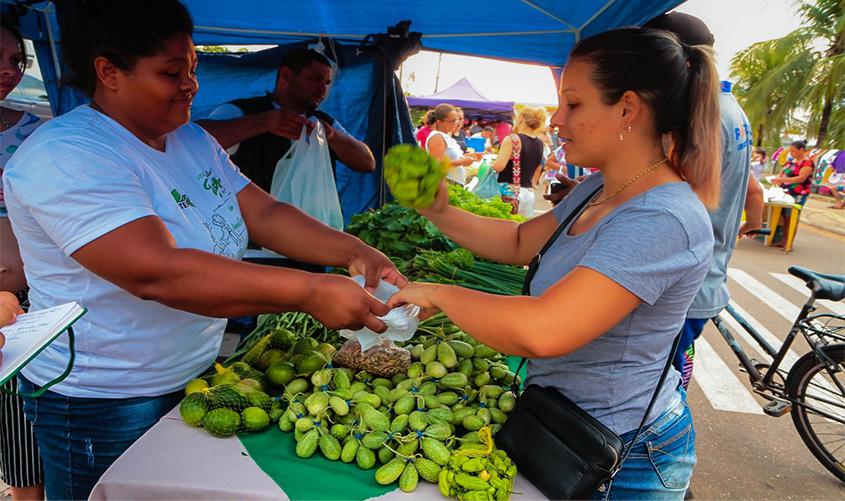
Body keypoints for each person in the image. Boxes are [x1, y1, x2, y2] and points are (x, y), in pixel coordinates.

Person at [2, 2, 403, 499]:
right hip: (104, 396)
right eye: (172, 73)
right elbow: (157, 272)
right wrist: (310, 291)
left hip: (193, 374)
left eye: (192, 69)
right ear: (108, 72)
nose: (191, 85)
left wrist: (353, 250)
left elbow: (263, 213)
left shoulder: (189, 139)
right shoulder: (67, 154)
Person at [389, 26, 721, 498]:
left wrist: (441, 294)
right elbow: (520, 241)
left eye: (573, 103)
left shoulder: (663, 218)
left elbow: (545, 330)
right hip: (564, 424)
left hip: (623, 454)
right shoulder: (598, 188)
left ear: (627, 108)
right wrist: (438, 210)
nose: (558, 120)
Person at [643, 12, 764, 391]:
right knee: (670, 376)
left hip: (682, 284)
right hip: (704, 277)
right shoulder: (730, 108)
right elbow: (751, 189)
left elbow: (671, 203)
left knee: (657, 391)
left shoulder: (703, 117)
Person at [197, 47, 375, 220]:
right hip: (255, 229)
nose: (322, 89)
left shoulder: (324, 123)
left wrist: (331, 136)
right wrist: (264, 122)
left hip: (315, 228)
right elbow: (197, 139)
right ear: (286, 75)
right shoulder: (243, 110)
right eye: (314, 79)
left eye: (327, 83)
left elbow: (367, 163)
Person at [0, 19, 45, 501]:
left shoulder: (40, 134)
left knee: (28, 413)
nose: (9, 70)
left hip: (39, 300)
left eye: (16, 60)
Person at [491, 107, 547, 189]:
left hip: (509, 190)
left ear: (521, 118)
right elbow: (537, 167)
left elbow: (498, 167)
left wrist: (485, 166)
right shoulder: (540, 143)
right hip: (527, 191)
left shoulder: (512, 139)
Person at [425, 103, 475, 169]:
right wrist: (462, 162)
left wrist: (466, 157)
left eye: (456, 120)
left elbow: (452, 158)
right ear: (439, 122)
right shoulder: (437, 137)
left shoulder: (445, 135)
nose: (456, 123)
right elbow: (437, 165)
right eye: (452, 121)